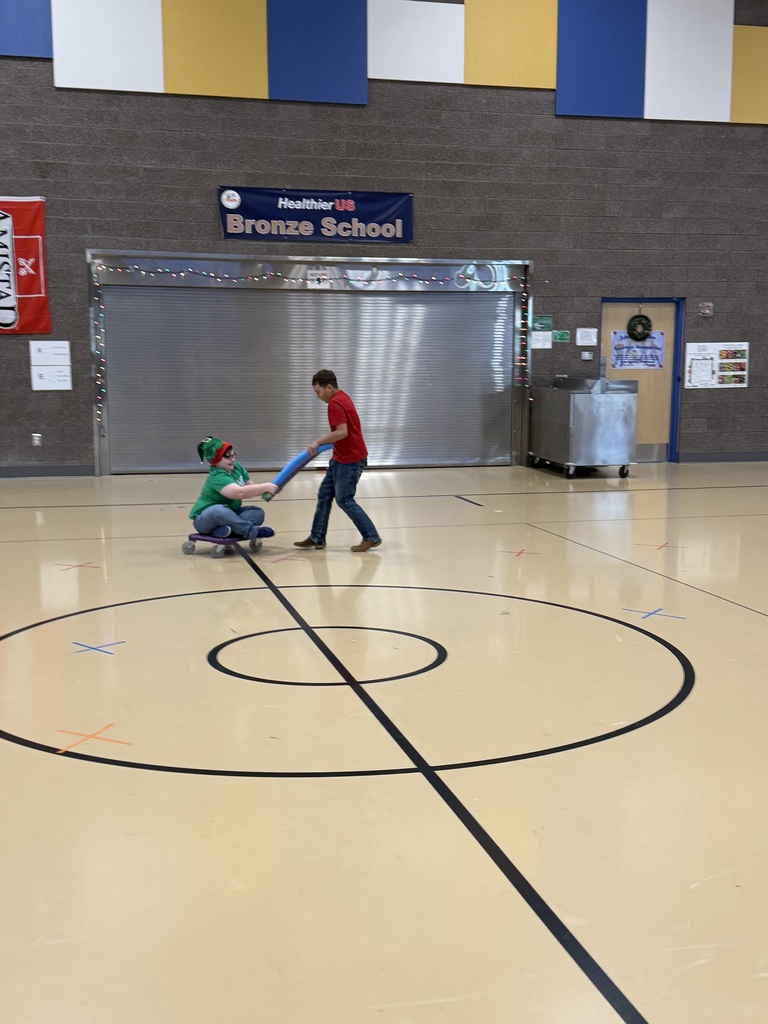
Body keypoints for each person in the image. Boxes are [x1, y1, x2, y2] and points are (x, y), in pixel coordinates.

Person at [294, 370, 382, 552]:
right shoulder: (343, 396)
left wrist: (318, 441)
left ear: (329, 387)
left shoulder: (335, 404)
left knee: (345, 500)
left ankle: (371, 536)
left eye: (319, 392)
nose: (318, 397)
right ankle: (317, 537)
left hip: (350, 460)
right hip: (340, 457)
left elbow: (342, 432)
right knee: (325, 495)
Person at [189, 437, 278, 541]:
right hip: (205, 520)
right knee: (218, 510)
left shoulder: (236, 467)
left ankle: (222, 531)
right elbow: (238, 493)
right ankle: (252, 531)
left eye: (233, 455)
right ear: (216, 460)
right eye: (228, 457)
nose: (233, 459)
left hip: (230, 514)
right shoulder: (217, 476)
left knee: (257, 513)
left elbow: (250, 487)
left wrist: (269, 489)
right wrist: (265, 487)